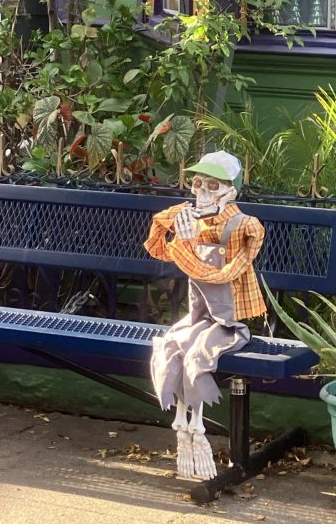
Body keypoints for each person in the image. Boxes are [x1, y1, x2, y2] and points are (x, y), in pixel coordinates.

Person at [144, 151, 265, 480]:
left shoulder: (247, 227)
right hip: (199, 314)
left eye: (212, 185)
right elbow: (155, 247)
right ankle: (186, 427)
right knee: (176, 345)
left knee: (200, 351)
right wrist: (168, 230)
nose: (201, 192)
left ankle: (196, 428)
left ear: (229, 191)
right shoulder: (190, 219)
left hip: (230, 319)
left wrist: (184, 246)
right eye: (197, 183)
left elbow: (222, 275)